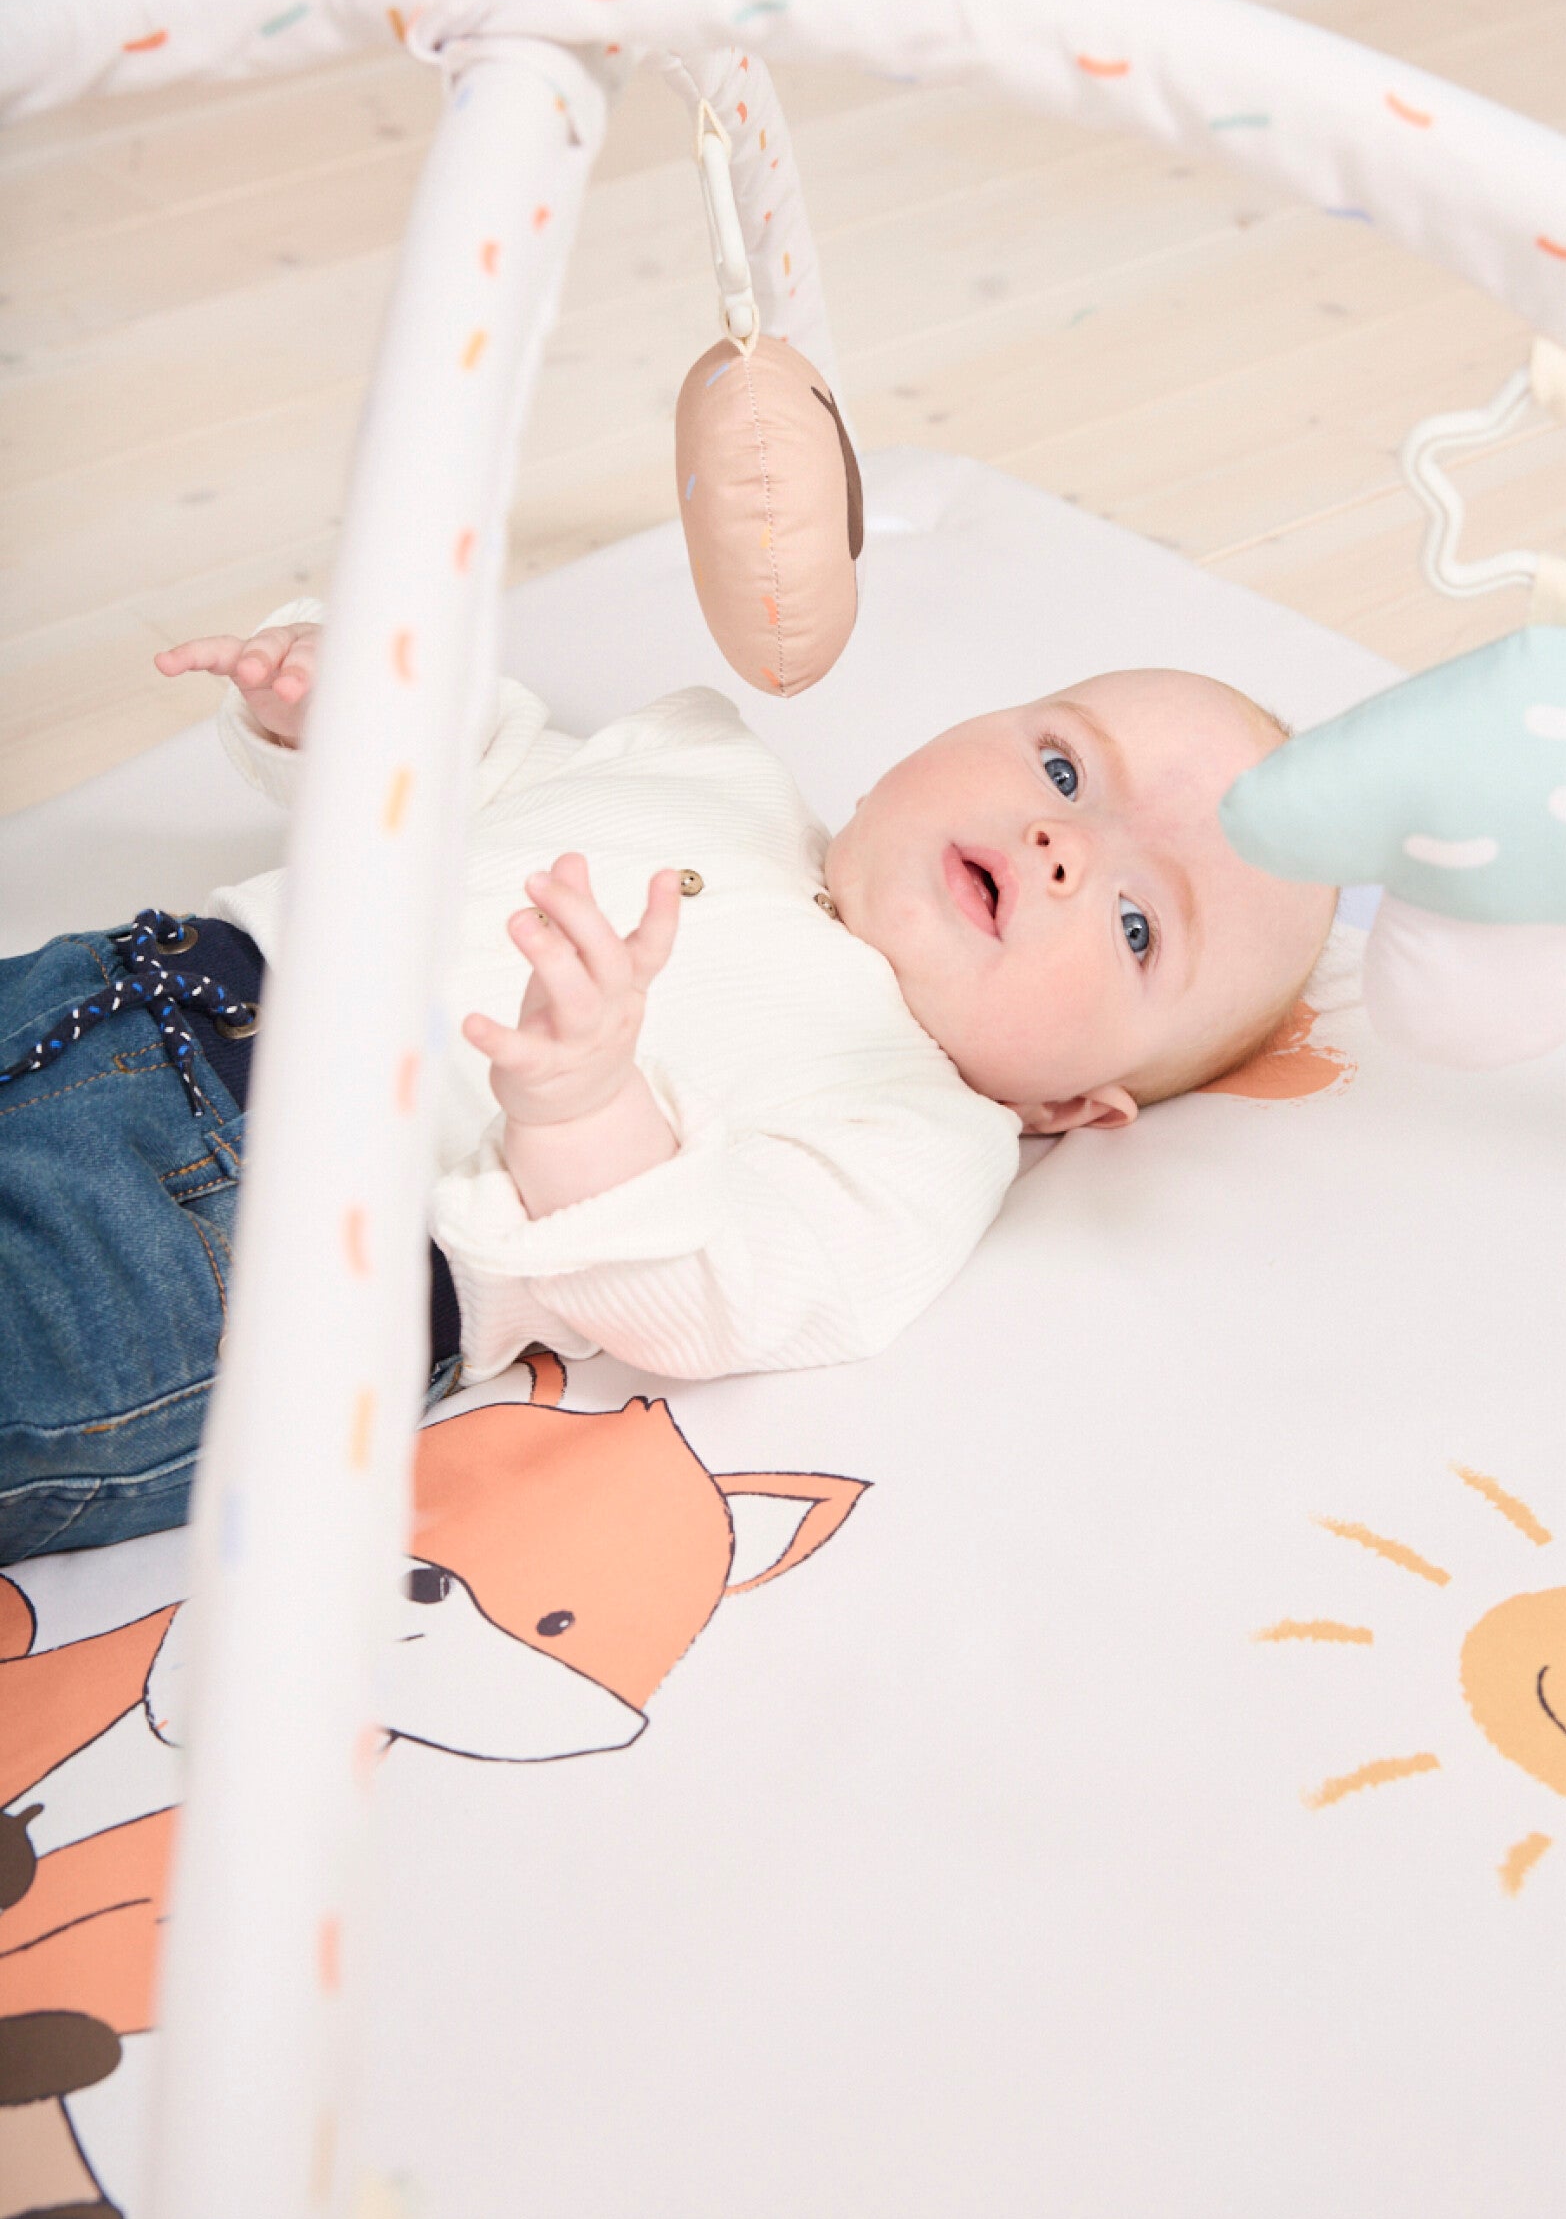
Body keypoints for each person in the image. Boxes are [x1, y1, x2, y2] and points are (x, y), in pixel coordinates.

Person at [0, 607, 1333, 1559]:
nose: (1061, 843)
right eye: (1064, 770)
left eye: (1137, 924)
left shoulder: (921, 1136)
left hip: (252, 1245)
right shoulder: (713, 765)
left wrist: (585, 1112)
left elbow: (713, 1292)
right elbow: (460, 764)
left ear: (1073, 1106)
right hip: (122, 989)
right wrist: (343, 703)